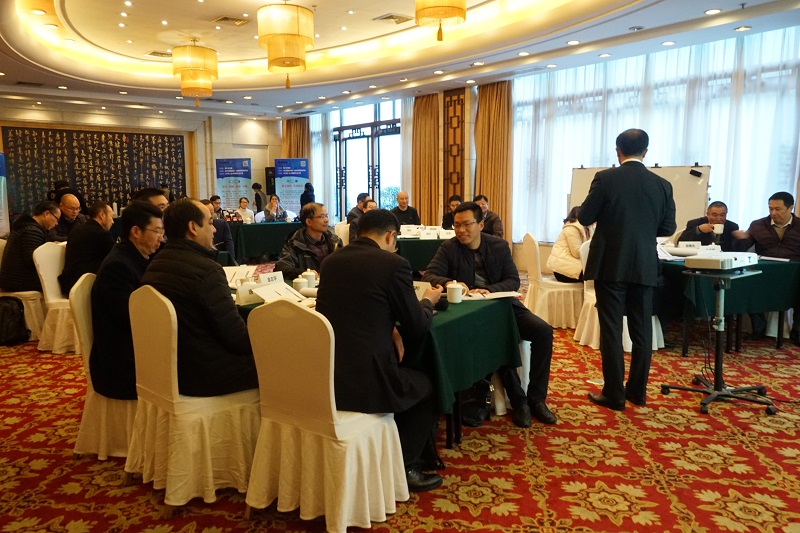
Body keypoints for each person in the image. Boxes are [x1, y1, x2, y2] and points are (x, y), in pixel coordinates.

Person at [316, 209, 445, 492]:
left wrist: (389, 328)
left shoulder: (331, 262)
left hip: (328, 375)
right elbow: (416, 326)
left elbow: (351, 309)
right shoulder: (393, 264)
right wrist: (428, 301)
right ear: (390, 236)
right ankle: (406, 467)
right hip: (368, 380)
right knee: (431, 385)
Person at [422, 202, 557, 427]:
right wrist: (452, 283)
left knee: (543, 331)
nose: (461, 230)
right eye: (457, 225)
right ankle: (519, 401)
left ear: (481, 224)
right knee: (498, 338)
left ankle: (537, 399)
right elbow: (429, 275)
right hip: (471, 314)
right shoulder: (449, 248)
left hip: (503, 305)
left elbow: (513, 280)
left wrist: (489, 290)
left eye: (467, 224)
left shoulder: (498, 246)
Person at [578, 128, 676, 411]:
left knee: (611, 330)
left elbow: (585, 216)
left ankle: (614, 394)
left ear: (617, 151)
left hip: (610, 264)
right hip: (645, 265)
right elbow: (668, 228)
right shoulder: (662, 184)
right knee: (641, 330)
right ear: (646, 152)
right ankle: (637, 392)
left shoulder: (605, 178)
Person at [140, 198, 258, 397]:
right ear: (193, 227)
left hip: (172, 368)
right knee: (285, 359)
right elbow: (239, 340)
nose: (214, 230)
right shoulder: (207, 271)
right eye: (210, 222)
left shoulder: (155, 264)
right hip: (207, 375)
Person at [89, 201, 164, 400]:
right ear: (136, 232)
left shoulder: (135, 256)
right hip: (122, 364)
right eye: (157, 231)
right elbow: (133, 319)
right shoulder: (118, 266)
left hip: (134, 347)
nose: (161, 238)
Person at [731, 191, 800, 343]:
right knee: (746, 283)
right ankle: (759, 327)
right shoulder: (758, 225)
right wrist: (741, 239)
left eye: (778, 209)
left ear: (791, 208)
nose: (773, 213)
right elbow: (740, 250)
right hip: (766, 271)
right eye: (770, 208)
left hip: (794, 272)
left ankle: (797, 331)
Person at [0, 201, 61, 292]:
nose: (56, 223)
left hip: (16, 279)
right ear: (47, 214)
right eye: (56, 219)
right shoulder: (31, 231)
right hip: (18, 282)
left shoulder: (27, 226)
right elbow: (33, 260)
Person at [58, 200, 116, 295]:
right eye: (111, 217)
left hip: (70, 284)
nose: (113, 221)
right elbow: (117, 255)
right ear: (102, 215)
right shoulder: (100, 234)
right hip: (85, 287)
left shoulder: (77, 230)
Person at [275, 202, 340, 281]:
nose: (326, 220)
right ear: (309, 221)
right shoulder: (295, 243)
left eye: (326, 216)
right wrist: (305, 274)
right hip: (307, 286)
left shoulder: (335, 241)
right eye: (322, 217)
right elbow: (282, 268)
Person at [546, 205, 591, 283]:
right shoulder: (572, 228)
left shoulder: (585, 229)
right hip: (563, 270)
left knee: (596, 273)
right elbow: (576, 253)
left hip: (570, 266)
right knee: (594, 275)